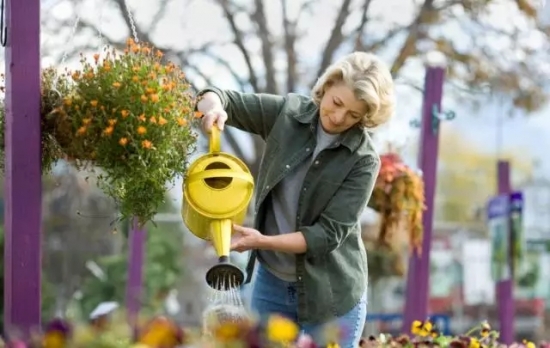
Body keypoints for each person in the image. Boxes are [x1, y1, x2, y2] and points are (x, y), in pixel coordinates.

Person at [195, 51, 395, 348]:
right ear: (326, 86)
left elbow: (326, 235)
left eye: (354, 115)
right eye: (336, 103)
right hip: (271, 284)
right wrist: (213, 109)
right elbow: (220, 97)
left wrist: (261, 241)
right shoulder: (286, 115)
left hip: (332, 295)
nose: (339, 118)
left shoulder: (363, 161)